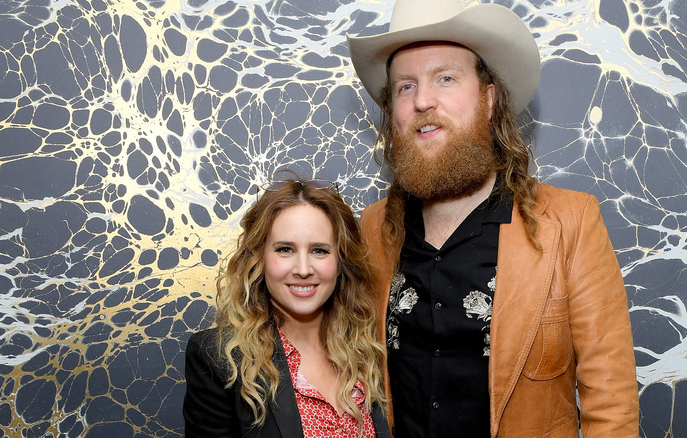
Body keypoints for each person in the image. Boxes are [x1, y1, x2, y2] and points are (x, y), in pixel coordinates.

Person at [347, 0, 640, 437]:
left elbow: (611, 403)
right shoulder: (368, 231)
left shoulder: (571, 222)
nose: (423, 100)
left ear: (488, 98)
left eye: (445, 78)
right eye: (405, 87)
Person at [183, 179, 390, 437]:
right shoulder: (220, 358)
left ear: (341, 260)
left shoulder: (370, 347)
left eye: (319, 250)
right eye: (285, 249)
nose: (303, 269)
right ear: (259, 258)